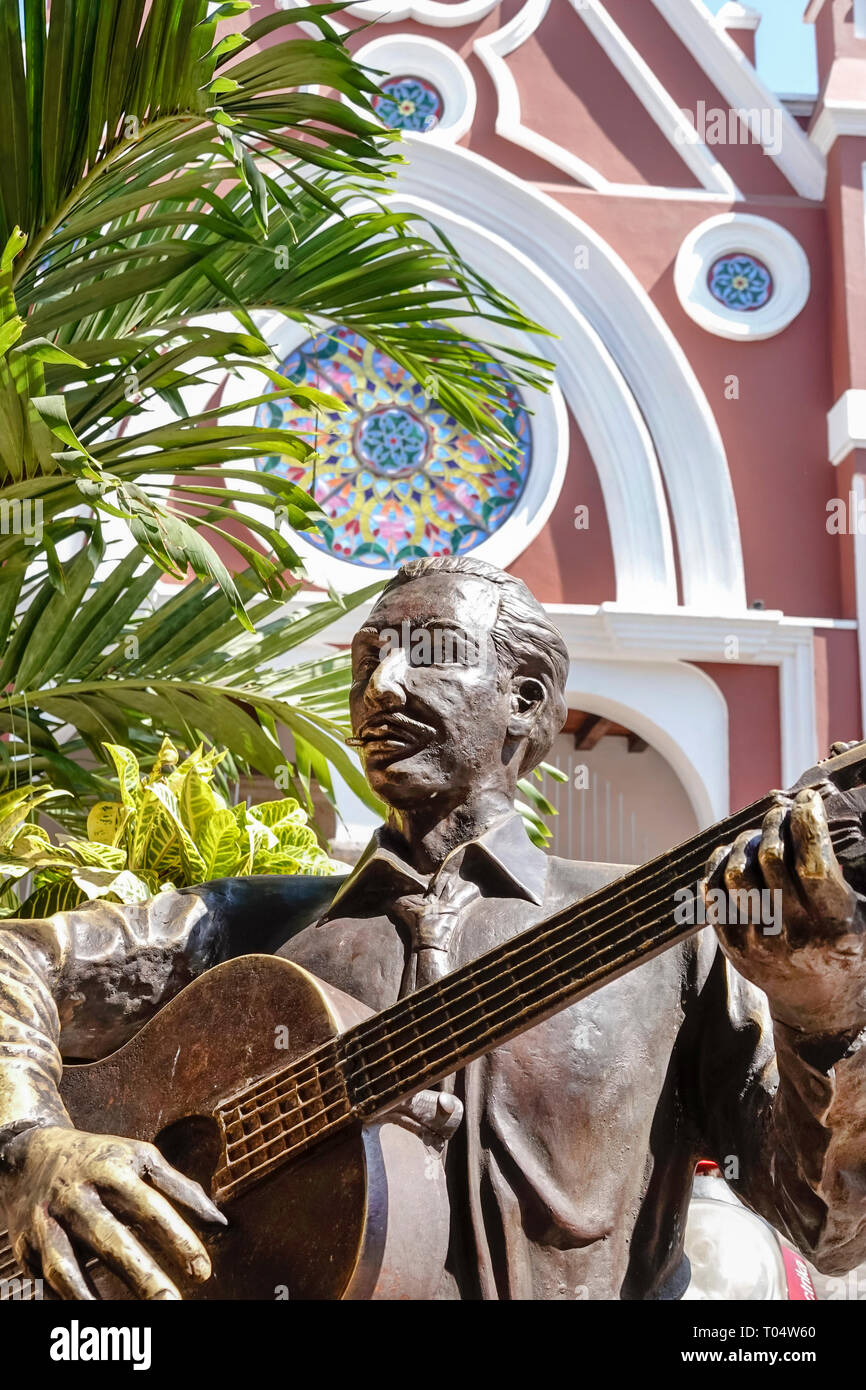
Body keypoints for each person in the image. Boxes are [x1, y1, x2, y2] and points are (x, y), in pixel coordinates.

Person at [1, 556, 865, 1300]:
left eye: (429, 657)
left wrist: (818, 1018)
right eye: (367, 660)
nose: (381, 686)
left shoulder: (675, 938)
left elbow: (827, 1229)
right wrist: (30, 1146)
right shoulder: (245, 922)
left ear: (525, 701)